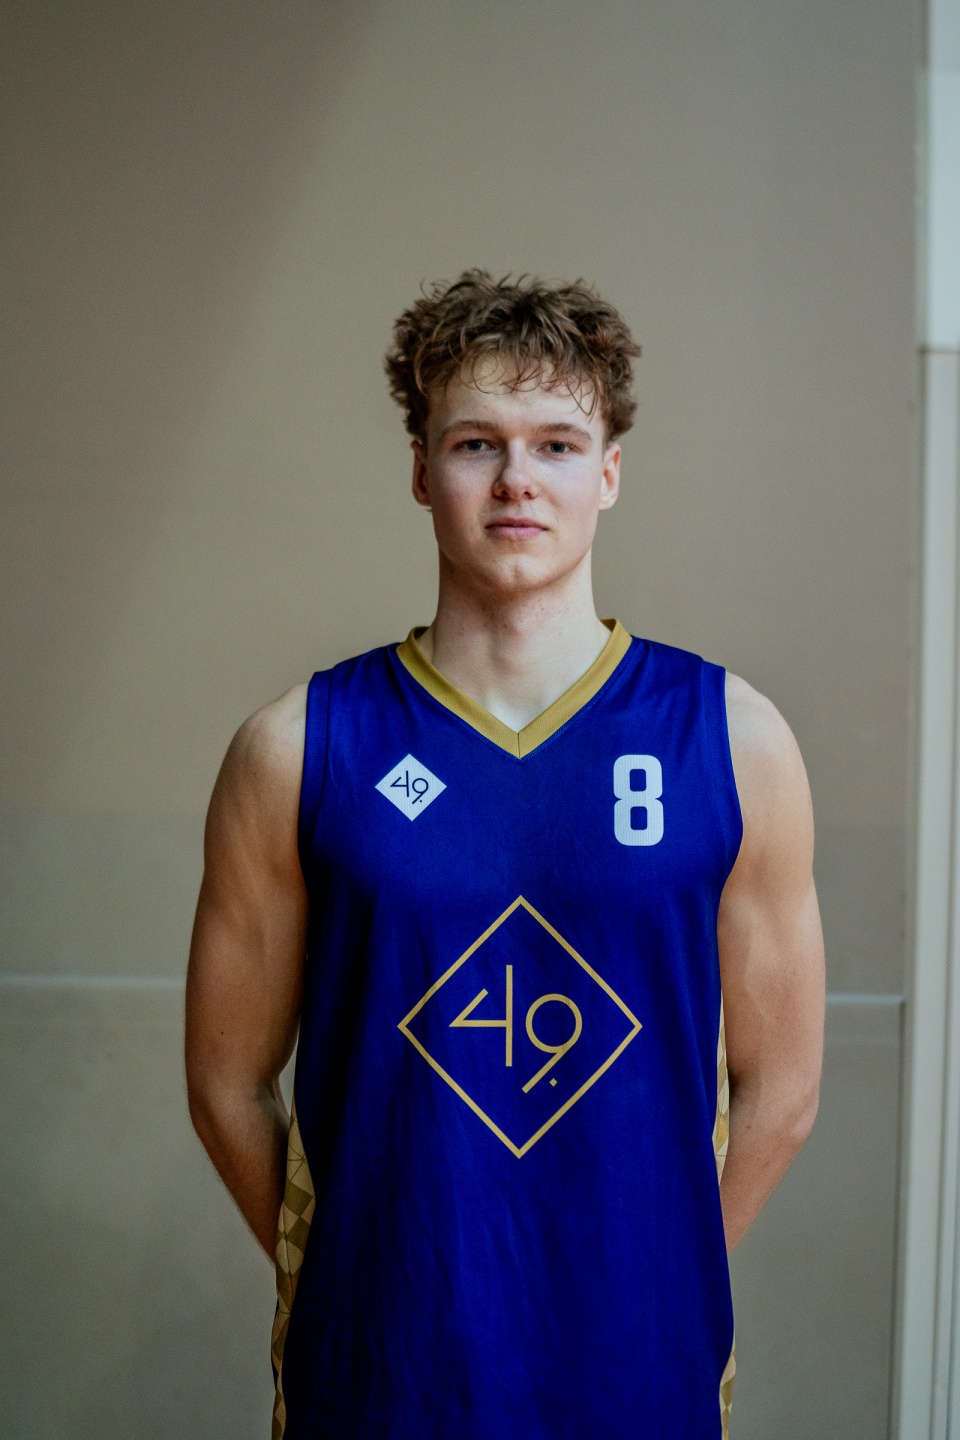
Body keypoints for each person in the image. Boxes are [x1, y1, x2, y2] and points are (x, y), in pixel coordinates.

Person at [185, 270, 825, 1440]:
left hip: (641, 1373)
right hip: (379, 1374)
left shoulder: (734, 741)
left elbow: (783, 1088)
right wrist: (355, 1259)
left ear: (610, 473)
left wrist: (654, 1273)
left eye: (557, 445)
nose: (518, 479)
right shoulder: (297, 748)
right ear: (421, 470)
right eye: (476, 442)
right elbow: (226, 1082)